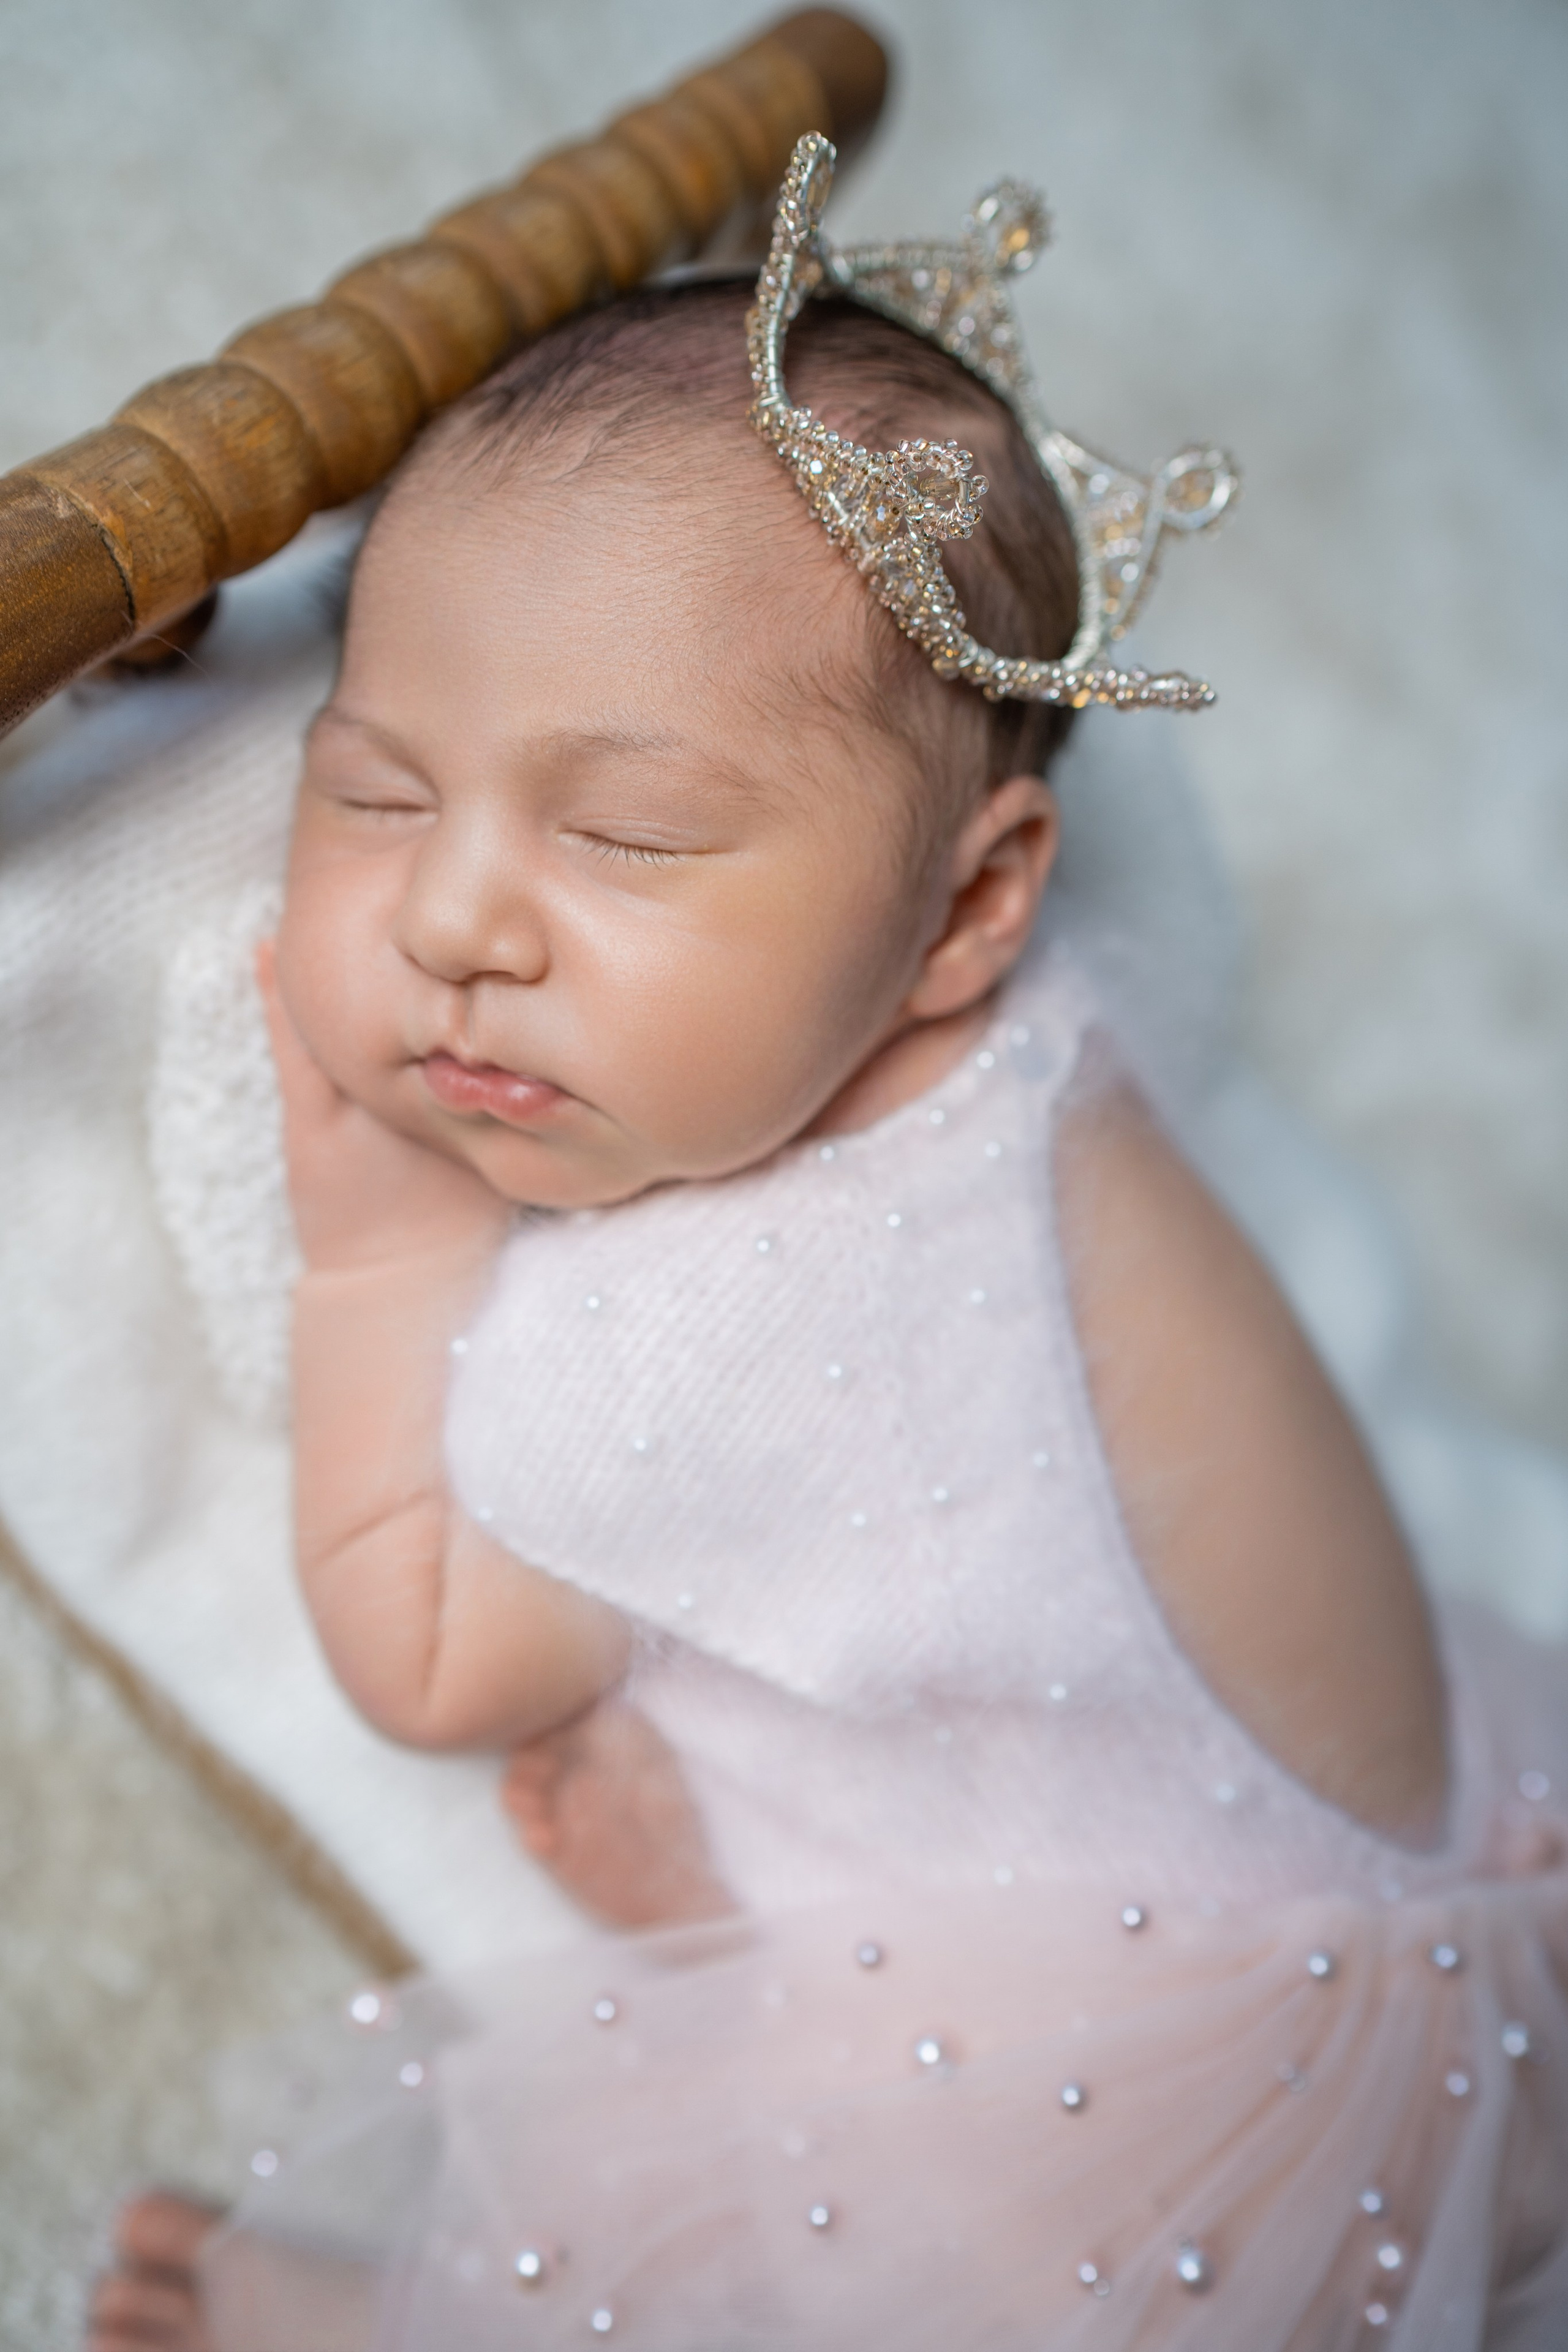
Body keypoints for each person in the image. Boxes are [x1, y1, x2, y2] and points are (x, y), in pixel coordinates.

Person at [91, 140, 1567, 2351]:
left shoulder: (699, 1337)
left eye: (629, 834)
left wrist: (385, 1249)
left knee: (731, 2270)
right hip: (1462, 1886)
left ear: (973, 907)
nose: (458, 918)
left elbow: (429, 1657)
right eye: (375, 788)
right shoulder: (1067, 1046)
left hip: (1137, 2161)